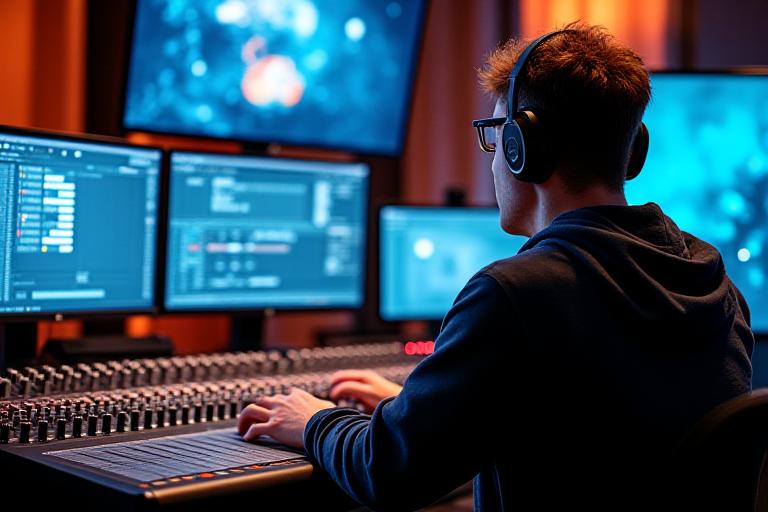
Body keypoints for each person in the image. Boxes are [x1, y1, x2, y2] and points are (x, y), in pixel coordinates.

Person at [237, 22, 753, 510]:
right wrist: (420, 408)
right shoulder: (712, 281)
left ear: (520, 146)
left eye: (495, 133)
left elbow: (388, 473)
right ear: (633, 150)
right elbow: (604, 432)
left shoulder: (515, 293)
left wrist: (314, 421)